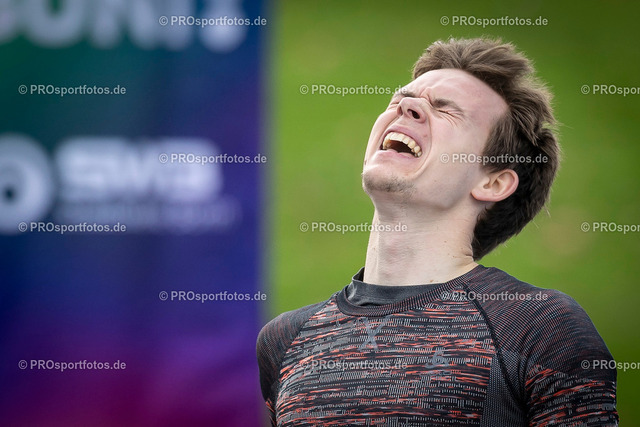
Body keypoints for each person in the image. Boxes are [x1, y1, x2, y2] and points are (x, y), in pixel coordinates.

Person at [257, 37, 618, 426]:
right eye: (400, 99)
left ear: (493, 182)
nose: (406, 107)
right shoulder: (284, 339)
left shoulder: (541, 328)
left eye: (446, 109)